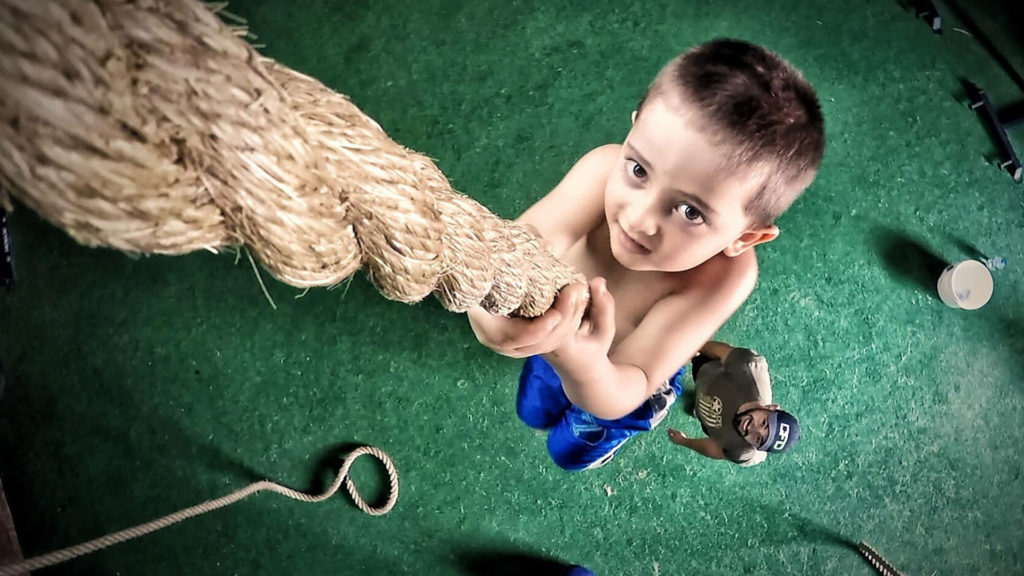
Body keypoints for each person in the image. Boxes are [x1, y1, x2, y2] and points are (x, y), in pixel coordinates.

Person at [467, 38, 824, 470]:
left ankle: (606, 433)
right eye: (638, 169)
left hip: (622, 377)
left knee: (570, 452)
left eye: (691, 211)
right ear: (632, 131)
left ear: (745, 238)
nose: (638, 219)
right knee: (534, 411)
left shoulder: (726, 277)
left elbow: (629, 383)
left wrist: (581, 365)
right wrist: (490, 310)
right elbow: (520, 245)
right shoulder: (602, 168)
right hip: (564, 341)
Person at [667, 341, 800, 466]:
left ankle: (698, 410)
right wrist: (693, 346)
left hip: (710, 424)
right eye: (764, 423)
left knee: (706, 419)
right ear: (771, 407)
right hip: (707, 371)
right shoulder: (749, 368)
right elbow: (718, 350)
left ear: (756, 447)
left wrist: (685, 442)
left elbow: (716, 449)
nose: (752, 429)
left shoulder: (743, 452)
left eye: (758, 439)